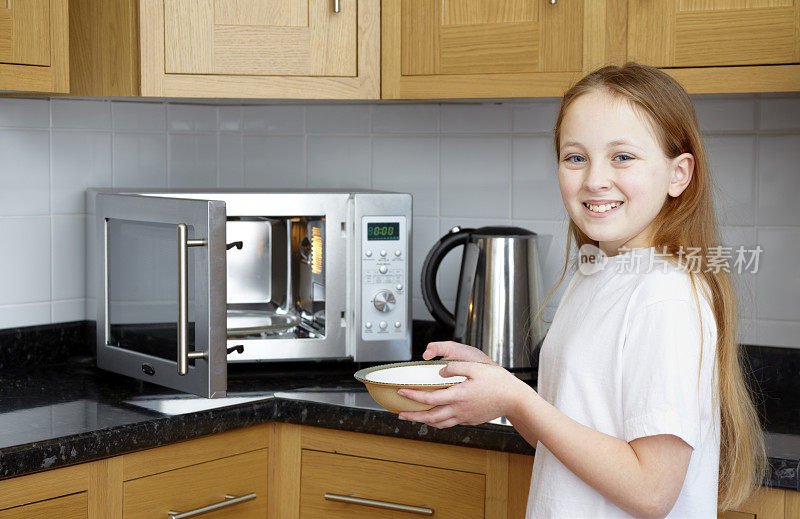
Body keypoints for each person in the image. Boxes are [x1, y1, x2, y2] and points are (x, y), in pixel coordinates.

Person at [396, 63, 767, 518]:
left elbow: (652, 492)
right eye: (576, 157)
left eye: (623, 157)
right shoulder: (595, 271)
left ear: (679, 174)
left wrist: (515, 397)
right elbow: (566, 437)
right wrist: (506, 392)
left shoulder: (663, 295)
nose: (594, 179)